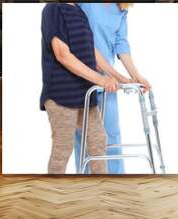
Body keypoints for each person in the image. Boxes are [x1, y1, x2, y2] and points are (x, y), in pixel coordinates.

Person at [40, 3, 119, 174]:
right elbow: (62, 54)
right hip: (61, 95)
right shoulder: (53, 9)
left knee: (98, 140)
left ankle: (101, 190)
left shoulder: (78, 11)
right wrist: (100, 79)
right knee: (63, 148)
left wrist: (118, 77)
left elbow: (92, 51)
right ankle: (54, 192)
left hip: (84, 95)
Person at [74, 3, 151, 174]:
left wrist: (137, 76)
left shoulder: (121, 8)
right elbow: (80, 37)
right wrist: (117, 75)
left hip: (108, 82)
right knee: (84, 136)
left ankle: (116, 182)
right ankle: (84, 184)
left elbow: (121, 43)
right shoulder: (86, 4)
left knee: (111, 135)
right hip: (81, 77)